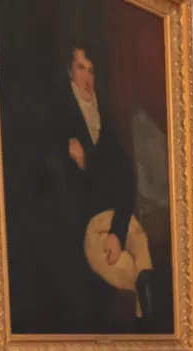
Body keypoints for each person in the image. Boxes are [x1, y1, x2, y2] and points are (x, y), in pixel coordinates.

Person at [61, 43, 156, 323]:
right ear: (69, 72)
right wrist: (64, 146)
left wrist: (118, 230)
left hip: (118, 217)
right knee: (117, 261)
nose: (88, 77)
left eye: (91, 70)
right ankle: (146, 300)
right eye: (81, 68)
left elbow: (126, 181)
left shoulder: (107, 123)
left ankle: (149, 296)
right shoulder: (62, 117)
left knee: (140, 243)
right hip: (91, 226)